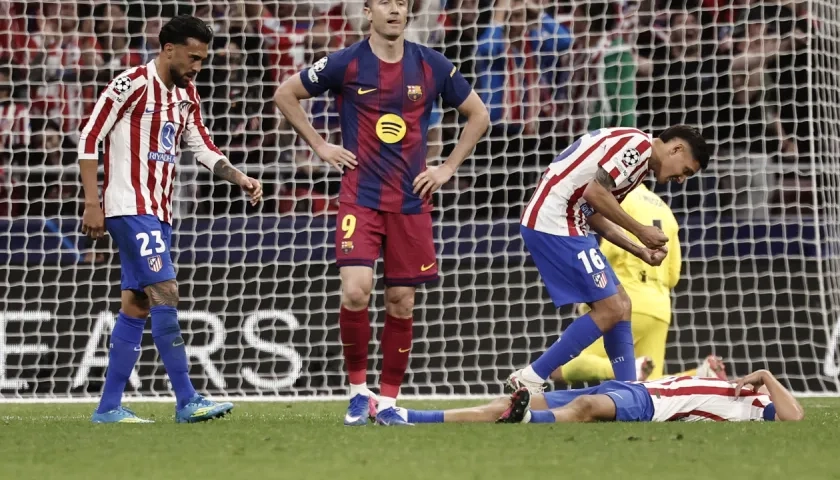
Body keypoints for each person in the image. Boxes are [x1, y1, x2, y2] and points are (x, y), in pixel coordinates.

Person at [274, 0, 490, 426]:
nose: (394, 10)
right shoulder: (346, 62)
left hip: (410, 202)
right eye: (385, 2)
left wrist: (447, 168)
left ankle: (388, 402)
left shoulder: (431, 64)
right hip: (361, 197)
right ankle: (359, 393)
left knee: (401, 302)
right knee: (356, 291)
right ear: (368, 11)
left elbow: (478, 115)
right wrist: (321, 146)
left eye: (401, 3)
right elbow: (286, 93)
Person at [79, 15, 263, 424]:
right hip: (130, 206)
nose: (198, 66)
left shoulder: (186, 95)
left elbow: (202, 146)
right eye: (193, 58)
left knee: (138, 303)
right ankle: (187, 399)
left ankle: (108, 408)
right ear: (168, 49)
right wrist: (93, 202)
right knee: (166, 290)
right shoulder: (130, 84)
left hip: (159, 213)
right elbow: (90, 136)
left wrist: (239, 177)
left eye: (203, 59)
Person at [508, 125, 710, 393]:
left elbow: (593, 211)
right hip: (554, 221)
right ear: (676, 149)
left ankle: (627, 390)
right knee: (611, 308)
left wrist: (638, 249)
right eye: (686, 170)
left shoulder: (638, 164)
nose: (682, 179)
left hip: (570, 222)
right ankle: (532, 376)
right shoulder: (637, 147)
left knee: (623, 305)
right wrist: (641, 230)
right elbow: (595, 194)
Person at [551, 183, 727, 384]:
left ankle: (626, 367)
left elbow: (610, 252)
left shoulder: (621, 200)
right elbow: (673, 276)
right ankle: (701, 375)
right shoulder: (665, 210)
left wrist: (586, 292)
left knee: (559, 366)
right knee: (650, 386)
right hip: (658, 307)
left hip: (621, 299)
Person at [396, 370, 805, 424]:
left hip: (650, 406)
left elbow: (796, 417)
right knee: (509, 401)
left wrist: (767, 376)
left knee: (585, 409)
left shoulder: (758, 411)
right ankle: (408, 415)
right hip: (635, 387)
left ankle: (525, 420)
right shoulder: (741, 391)